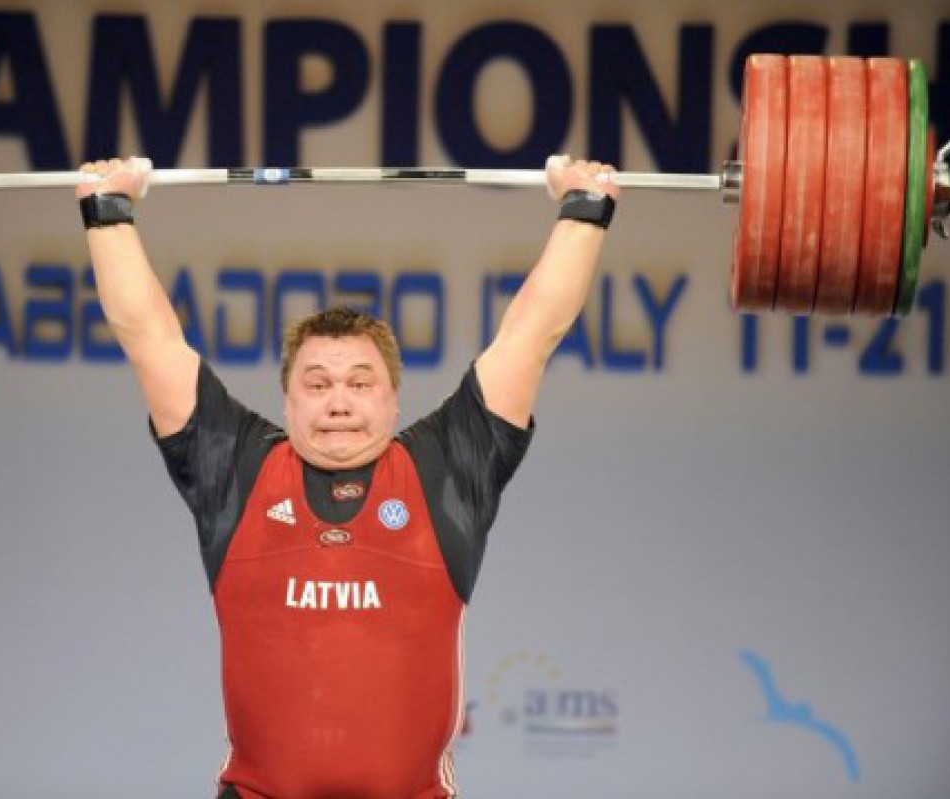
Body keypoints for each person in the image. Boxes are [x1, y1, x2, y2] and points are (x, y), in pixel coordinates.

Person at [77, 155, 620, 798]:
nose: (338, 402)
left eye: (360, 384)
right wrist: (107, 211)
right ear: (287, 403)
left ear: (394, 400)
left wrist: (584, 207)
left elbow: (532, 333)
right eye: (317, 384)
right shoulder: (236, 468)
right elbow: (150, 338)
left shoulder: (447, 467)